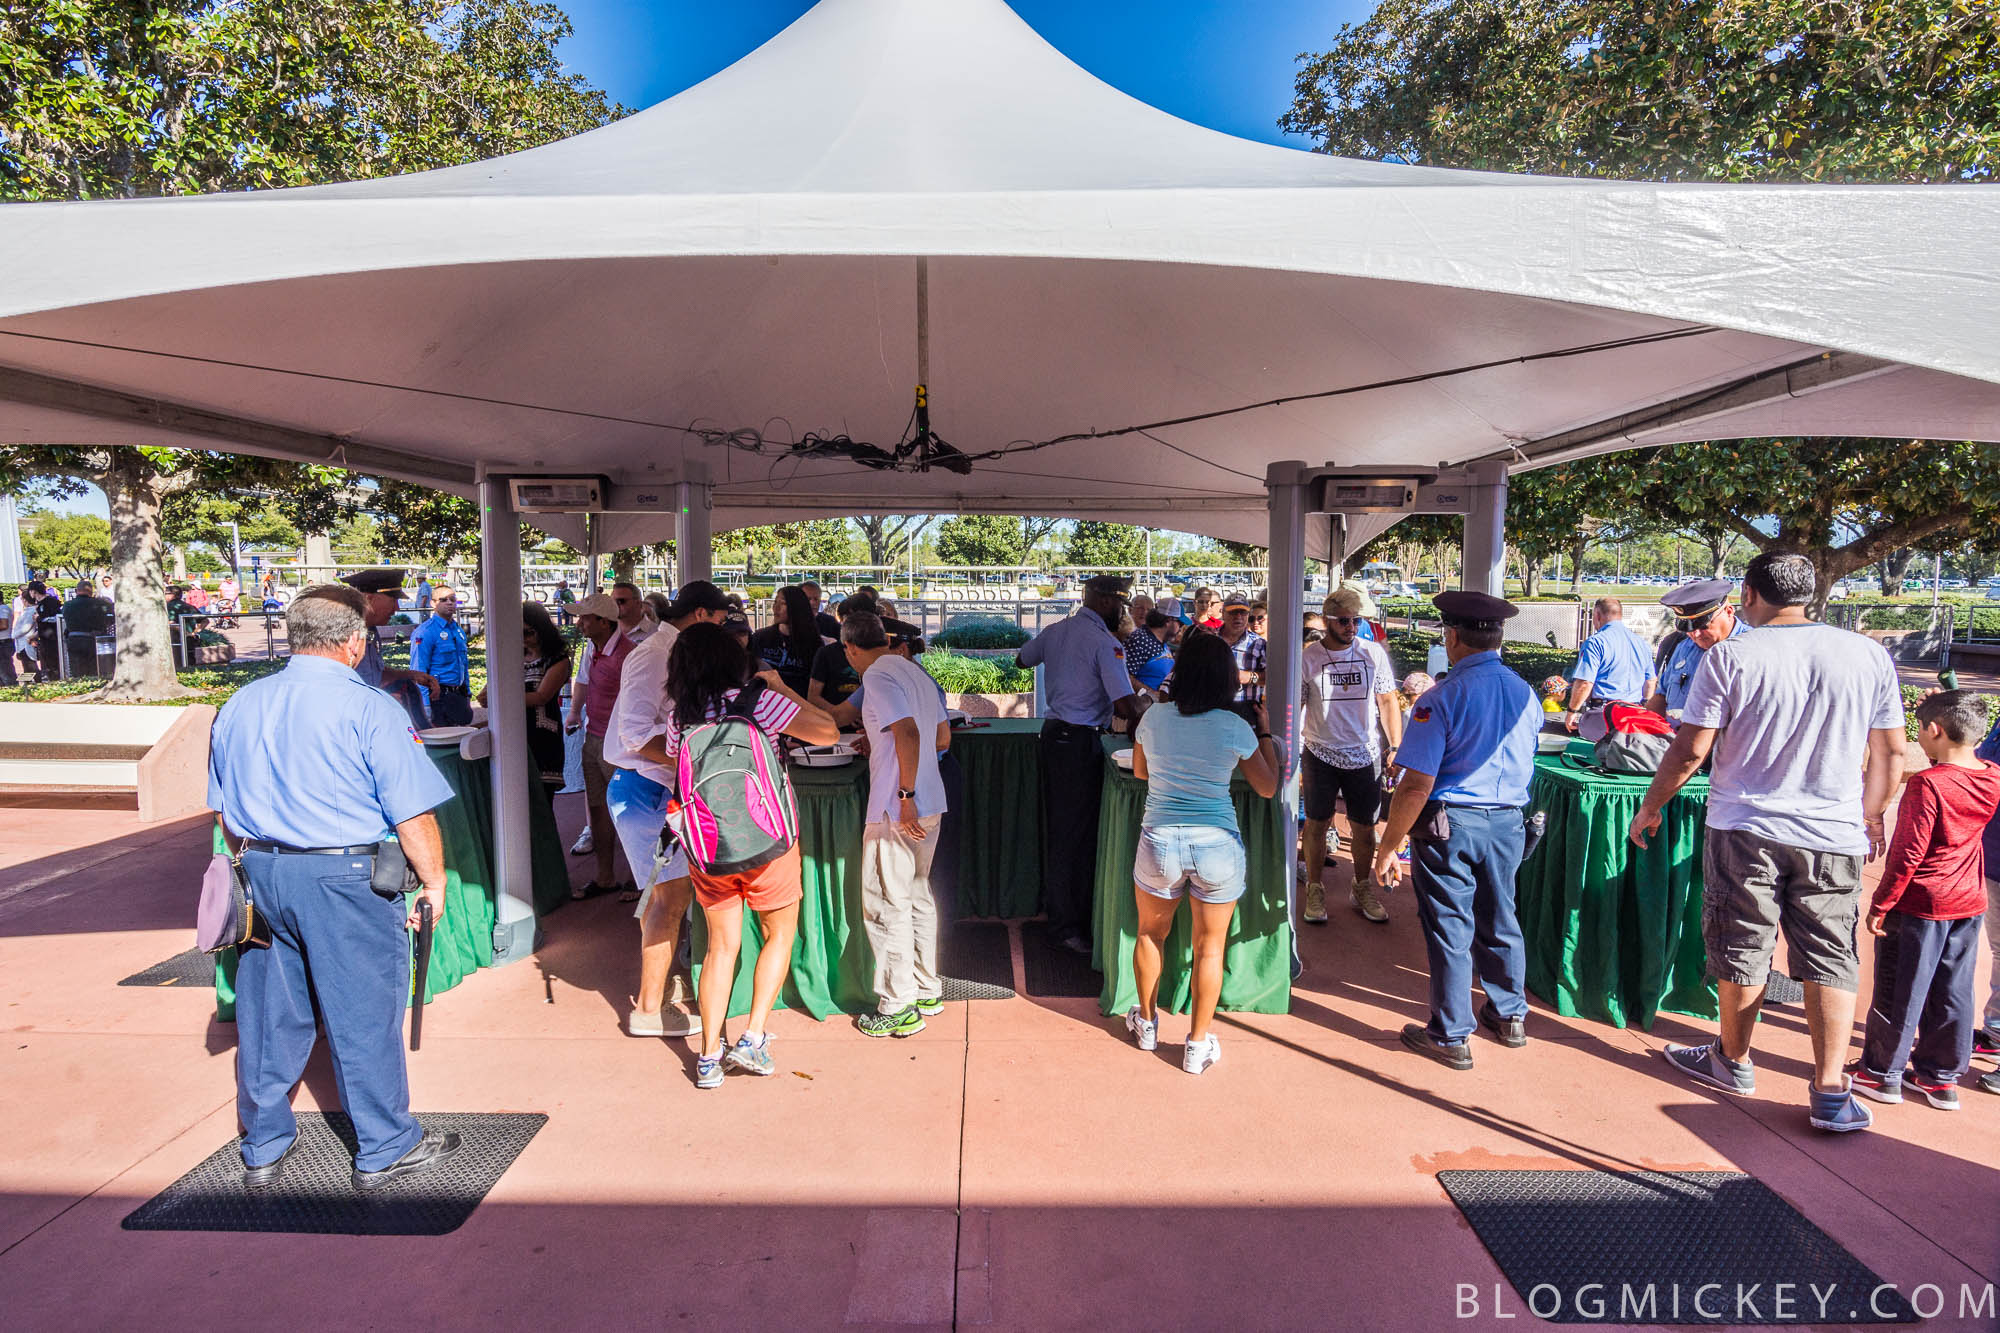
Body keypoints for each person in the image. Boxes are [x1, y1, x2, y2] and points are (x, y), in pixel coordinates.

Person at [1630, 551, 1905, 1133]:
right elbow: (1890, 751)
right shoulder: (1868, 655)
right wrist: (1872, 816)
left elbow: (1691, 749)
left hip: (1744, 826)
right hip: (1833, 832)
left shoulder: (1731, 657)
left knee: (1742, 942)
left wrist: (1651, 806)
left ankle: (1732, 1060)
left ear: (1749, 596)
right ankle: (1830, 1089)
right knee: (1832, 954)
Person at [207, 584, 460, 1190]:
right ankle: (385, 1143)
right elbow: (412, 812)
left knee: (268, 1014)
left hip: (261, 870)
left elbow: (222, 808)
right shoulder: (372, 708)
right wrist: (433, 882)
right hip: (344, 878)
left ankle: (264, 1141)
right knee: (362, 1011)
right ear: (354, 642)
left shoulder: (240, 703)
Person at [646, 623, 837, 1086]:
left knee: (720, 947)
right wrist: (782, 688)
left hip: (709, 847)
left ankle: (709, 1056)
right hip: (769, 842)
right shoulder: (761, 703)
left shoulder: (680, 719)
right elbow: (828, 732)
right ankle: (752, 1038)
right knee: (779, 935)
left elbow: (676, 760)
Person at [1374, 591, 1543, 1070]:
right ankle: (1509, 1015)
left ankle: (1450, 1033)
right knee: (1501, 917)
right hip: (1507, 821)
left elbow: (1416, 786)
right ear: (1498, 638)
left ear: (1451, 637)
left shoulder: (1440, 698)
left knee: (1450, 926)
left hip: (1452, 823)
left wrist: (1389, 846)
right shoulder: (1524, 692)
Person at [1124, 632, 1280, 1074]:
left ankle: (1147, 1025)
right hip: (1217, 844)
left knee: (1150, 935)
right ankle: (1196, 1046)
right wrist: (1265, 731)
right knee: (1210, 948)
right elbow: (1268, 787)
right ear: (1227, 678)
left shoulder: (1154, 717)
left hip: (1160, 840)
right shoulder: (1235, 726)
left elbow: (1140, 772)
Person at [1850, 691, 2000, 1111]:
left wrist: (1882, 902)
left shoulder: (1928, 784)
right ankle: (1940, 1077)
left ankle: (1881, 1073)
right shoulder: (1991, 775)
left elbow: (1908, 853)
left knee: (1899, 989)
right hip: (1968, 899)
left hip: (1922, 902)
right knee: (1953, 989)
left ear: (1934, 731)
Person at [605, 580, 734, 1037]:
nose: (721, 630)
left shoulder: (675, 650)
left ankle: (660, 987)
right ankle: (647, 1009)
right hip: (647, 790)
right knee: (668, 900)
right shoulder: (652, 654)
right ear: (700, 615)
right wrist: (697, 759)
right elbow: (635, 734)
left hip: (663, 789)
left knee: (667, 898)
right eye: (719, 621)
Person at [838, 612, 955, 1037]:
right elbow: (940, 737)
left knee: (887, 904)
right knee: (917, 897)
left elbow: (907, 732)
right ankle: (926, 989)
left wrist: (904, 795)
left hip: (897, 806)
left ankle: (897, 1004)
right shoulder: (913, 670)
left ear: (850, 648)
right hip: (930, 800)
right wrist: (882, 744)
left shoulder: (877, 676)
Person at [1017, 574, 1145, 955]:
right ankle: (1067, 927)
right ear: (1105, 602)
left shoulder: (1056, 630)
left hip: (1053, 736)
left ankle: (1061, 918)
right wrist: (1149, 705)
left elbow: (1022, 659)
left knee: (1061, 833)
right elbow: (1124, 706)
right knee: (1075, 838)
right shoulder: (1105, 644)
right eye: (1120, 604)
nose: (1121, 611)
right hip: (1079, 742)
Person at [1298, 587, 1402, 926]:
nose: (1351, 627)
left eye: (1356, 621)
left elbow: (1388, 701)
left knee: (1365, 827)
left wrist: (1396, 746)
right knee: (1316, 823)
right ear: (1327, 620)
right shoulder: (1309, 657)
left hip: (1365, 752)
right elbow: (1297, 703)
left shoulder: (1373, 653)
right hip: (1319, 749)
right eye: (1344, 621)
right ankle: (1315, 888)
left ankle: (1362, 886)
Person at [564, 593, 637, 900]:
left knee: (629, 811)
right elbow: (583, 682)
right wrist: (574, 713)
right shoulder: (593, 649)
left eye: (585, 618)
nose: (579, 623)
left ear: (604, 622)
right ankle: (605, 877)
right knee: (598, 808)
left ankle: (636, 877)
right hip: (595, 737)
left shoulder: (629, 655)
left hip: (619, 744)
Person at [480, 602, 571, 800]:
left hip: (543, 739)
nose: (523, 639)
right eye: (518, 633)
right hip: (512, 736)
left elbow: (542, 696)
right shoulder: (512, 657)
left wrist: (499, 697)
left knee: (541, 800)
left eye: (528, 633)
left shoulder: (558, 659)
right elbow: (491, 688)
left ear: (542, 629)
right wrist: (488, 694)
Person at [340, 569, 439, 727]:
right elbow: (336, 689)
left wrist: (410, 675)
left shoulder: (370, 630)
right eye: (393, 600)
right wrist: (379, 702)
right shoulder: (340, 634)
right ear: (368, 598)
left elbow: (374, 672)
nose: (396, 609)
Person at [1645, 578, 1748, 719]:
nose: (1696, 634)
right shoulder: (1684, 647)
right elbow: (1661, 695)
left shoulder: (1750, 648)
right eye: (1688, 628)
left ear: (1729, 612)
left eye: (1703, 626)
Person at [1562, 597, 1655, 730]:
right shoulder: (1642, 643)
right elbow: (1650, 682)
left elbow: (1585, 683)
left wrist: (1572, 711)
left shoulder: (1595, 642)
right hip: (1634, 714)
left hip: (1604, 715)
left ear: (1597, 615)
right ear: (1620, 615)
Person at [409, 586, 473, 725]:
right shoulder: (425, 632)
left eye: (452, 599)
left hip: (458, 695)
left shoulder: (458, 631)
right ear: (433, 603)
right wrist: (425, 706)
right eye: (443, 600)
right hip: (438, 698)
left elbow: (463, 665)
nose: (449, 603)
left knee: (461, 735)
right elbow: (419, 670)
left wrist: (467, 694)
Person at [749, 585, 824, 697]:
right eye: (775, 602)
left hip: (797, 703)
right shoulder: (760, 637)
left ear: (797, 607)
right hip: (763, 701)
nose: (776, 608)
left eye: (783, 603)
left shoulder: (814, 643)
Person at [808, 594, 873, 718]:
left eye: (858, 621)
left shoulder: (881, 655)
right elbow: (813, 697)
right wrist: (843, 714)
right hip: (836, 724)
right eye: (846, 620)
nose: (850, 626)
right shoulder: (827, 653)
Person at [1215, 593, 1267, 714]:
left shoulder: (1259, 644)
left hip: (1246, 710)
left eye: (1243, 612)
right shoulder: (1209, 639)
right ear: (1223, 614)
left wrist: (1247, 677)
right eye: (1233, 612)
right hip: (1213, 708)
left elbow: (1270, 678)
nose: (1238, 616)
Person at [62, 579, 111, 678]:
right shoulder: (99, 603)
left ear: (76, 591)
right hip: (93, 640)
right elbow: (108, 618)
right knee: (93, 671)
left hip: (73, 640)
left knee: (77, 671)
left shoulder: (67, 605)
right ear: (91, 591)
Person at [11, 583, 39, 682]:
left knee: (30, 666)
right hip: (22, 643)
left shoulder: (31, 611)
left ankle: (36, 684)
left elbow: (26, 627)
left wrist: (14, 634)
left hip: (26, 643)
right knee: (27, 666)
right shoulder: (27, 611)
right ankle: (28, 685)